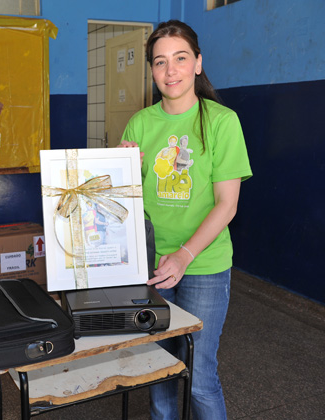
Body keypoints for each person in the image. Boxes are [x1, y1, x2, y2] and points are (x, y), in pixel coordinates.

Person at [119, 20, 252, 420]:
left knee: (200, 376)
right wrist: (122, 171)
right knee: (157, 372)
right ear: (152, 70)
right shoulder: (140, 124)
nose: (170, 70)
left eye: (180, 58)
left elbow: (227, 205)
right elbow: (124, 206)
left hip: (204, 265)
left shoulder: (222, 121)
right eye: (160, 62)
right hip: (150, 267)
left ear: (198, 63)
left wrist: (184, 256)